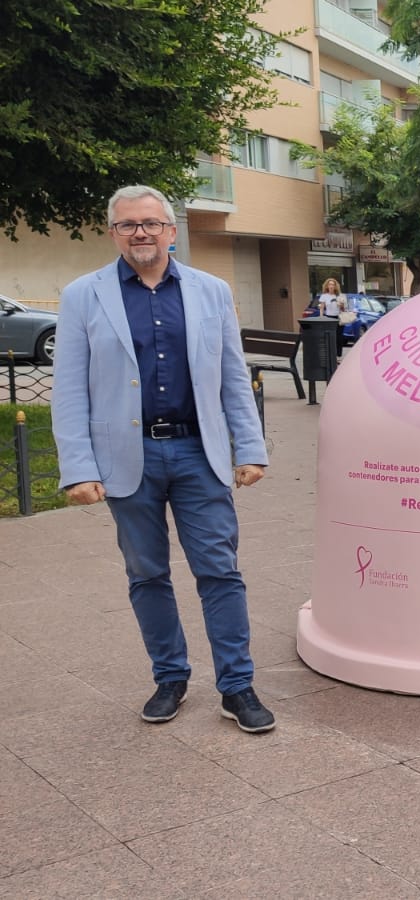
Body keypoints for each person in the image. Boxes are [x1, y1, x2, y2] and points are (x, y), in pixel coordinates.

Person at [51, 185, 275, 734]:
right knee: (147, 573)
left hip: (200, 452)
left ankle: (237, 686)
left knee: (220, 571)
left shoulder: (211, 291)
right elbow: (69, 389)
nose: (141, 233)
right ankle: (170, 677)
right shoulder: (85, 295)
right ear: (113, 233)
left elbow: (231, 379)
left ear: (171, 231)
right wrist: (78, 467)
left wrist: (250, 448)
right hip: (127, 457)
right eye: (128, 225)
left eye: (151, 223)